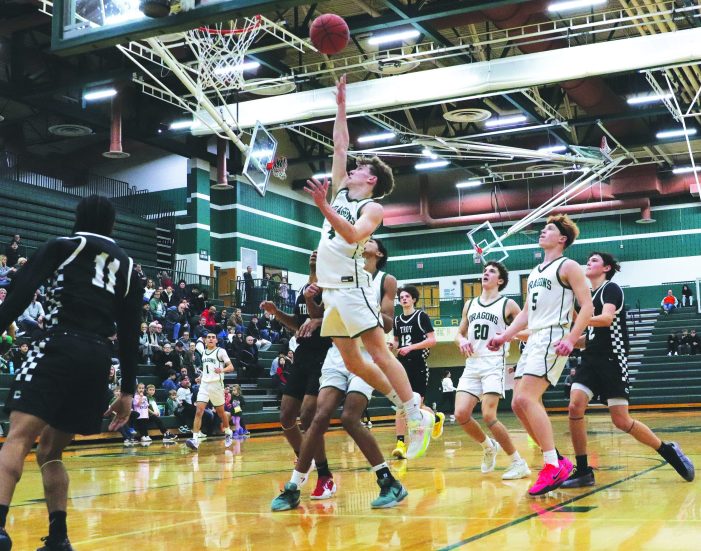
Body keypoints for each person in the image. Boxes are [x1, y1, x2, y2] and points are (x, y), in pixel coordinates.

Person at [0, 195, 142, 551]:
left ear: (77, 219)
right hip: (97, 358)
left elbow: (19, 294)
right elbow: (130, 335)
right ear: (112, 226)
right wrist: (126, 391)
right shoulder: (128, 268)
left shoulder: (64, 245)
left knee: (18, 438)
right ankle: (59, 538)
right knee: (51, 452)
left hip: (59, 344)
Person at [303, 76, 433, 459]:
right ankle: (407, 406)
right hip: (331, 290)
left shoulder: (371, 208)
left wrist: (325, 208)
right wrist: (342, 106)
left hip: (352, 285)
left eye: (360, 168)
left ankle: (413, 411)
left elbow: (352, 236)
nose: (352, 168)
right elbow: (340, 143)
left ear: (371, 180)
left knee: (378, 352)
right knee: (351, 360)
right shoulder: (343, 188)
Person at [271, 239, 409, 512]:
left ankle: (388, 481)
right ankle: (294, 487)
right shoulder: (339, 273)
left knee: (349, 418)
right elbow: (319, 315)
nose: (363, 241)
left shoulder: (385, 279)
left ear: (379, 252)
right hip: (337, 353)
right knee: (316, 418)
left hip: (367, 353)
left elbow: (389, 321)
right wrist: (312, 301)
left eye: (370, 240)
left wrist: (355, 314)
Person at [563, 252, 694, 487]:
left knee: (621, 422)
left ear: (606, 268)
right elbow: (590, 337)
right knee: (574, 405)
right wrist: (571, 340)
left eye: (593, 260)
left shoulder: (611, 289)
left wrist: (579, 319)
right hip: (591, 359)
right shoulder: (586, 298)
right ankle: (583, 470)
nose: (588, 263)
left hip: (613, 359)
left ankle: (668, 451)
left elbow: (605, 319)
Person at [487, 214, 593, 496]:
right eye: (543, 228)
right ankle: (556, 460)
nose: (542, 232)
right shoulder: (535, 272)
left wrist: (572, 339)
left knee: (525, 398)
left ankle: (551, 464)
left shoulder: (568, 266)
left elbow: (587, 307)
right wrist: (504, 336)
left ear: (562, 239)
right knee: (518, 404)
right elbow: (525, 313)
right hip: (535, 337)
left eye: (549, 229)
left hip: (553, 336)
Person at [260, 251, 336, 499]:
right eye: (312, 253)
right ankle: (306, 458)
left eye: (320, 252)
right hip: (303, 353)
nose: (315, 254)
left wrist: (316, 315)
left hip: (325, 353)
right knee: (286, 417)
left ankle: (325, 476)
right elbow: (298, 323)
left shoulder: (332, 287)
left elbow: (332, 322)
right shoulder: (305, 287)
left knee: (308, 415)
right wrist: (276, 313)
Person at [455, 261, 530, 480]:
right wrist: (461, 341)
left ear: (500, 281)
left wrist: (507, 335)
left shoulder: (507, 304)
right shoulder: (470, 304)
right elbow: (459, 333)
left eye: (492, 271)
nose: (486, 273)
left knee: (489, 415)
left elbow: (526, 330)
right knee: (460, 414)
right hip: (472, 364)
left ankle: (519, 462)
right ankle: (489, 447)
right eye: (484, 270)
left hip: (493, 363)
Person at [391, 284, 442, 460]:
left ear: (413, 299)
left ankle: (435, 419)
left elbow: (432, 340)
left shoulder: (421, 316)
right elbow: (397, 342)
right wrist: (392, 346)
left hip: (419, 365)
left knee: (416, 407)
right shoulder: (397, 320)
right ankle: (400, 444)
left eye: (407, 296)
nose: (403, 299)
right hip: (402, 366)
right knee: (401, 405)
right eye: (401, 297)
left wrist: (411, 347)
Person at [185, 333, 235, 450]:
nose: (211, 339)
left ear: (216, 340)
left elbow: (231, 367)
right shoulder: (203, 353)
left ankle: (228, 432)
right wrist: (201, 377)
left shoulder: (220, 351)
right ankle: (195, 439)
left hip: (216, 385)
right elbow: (207, 369)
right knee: (198, 411)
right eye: (209, 337)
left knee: (221, 413)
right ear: (205, 341)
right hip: (204, 385)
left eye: (213, 337)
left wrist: (222, 369)